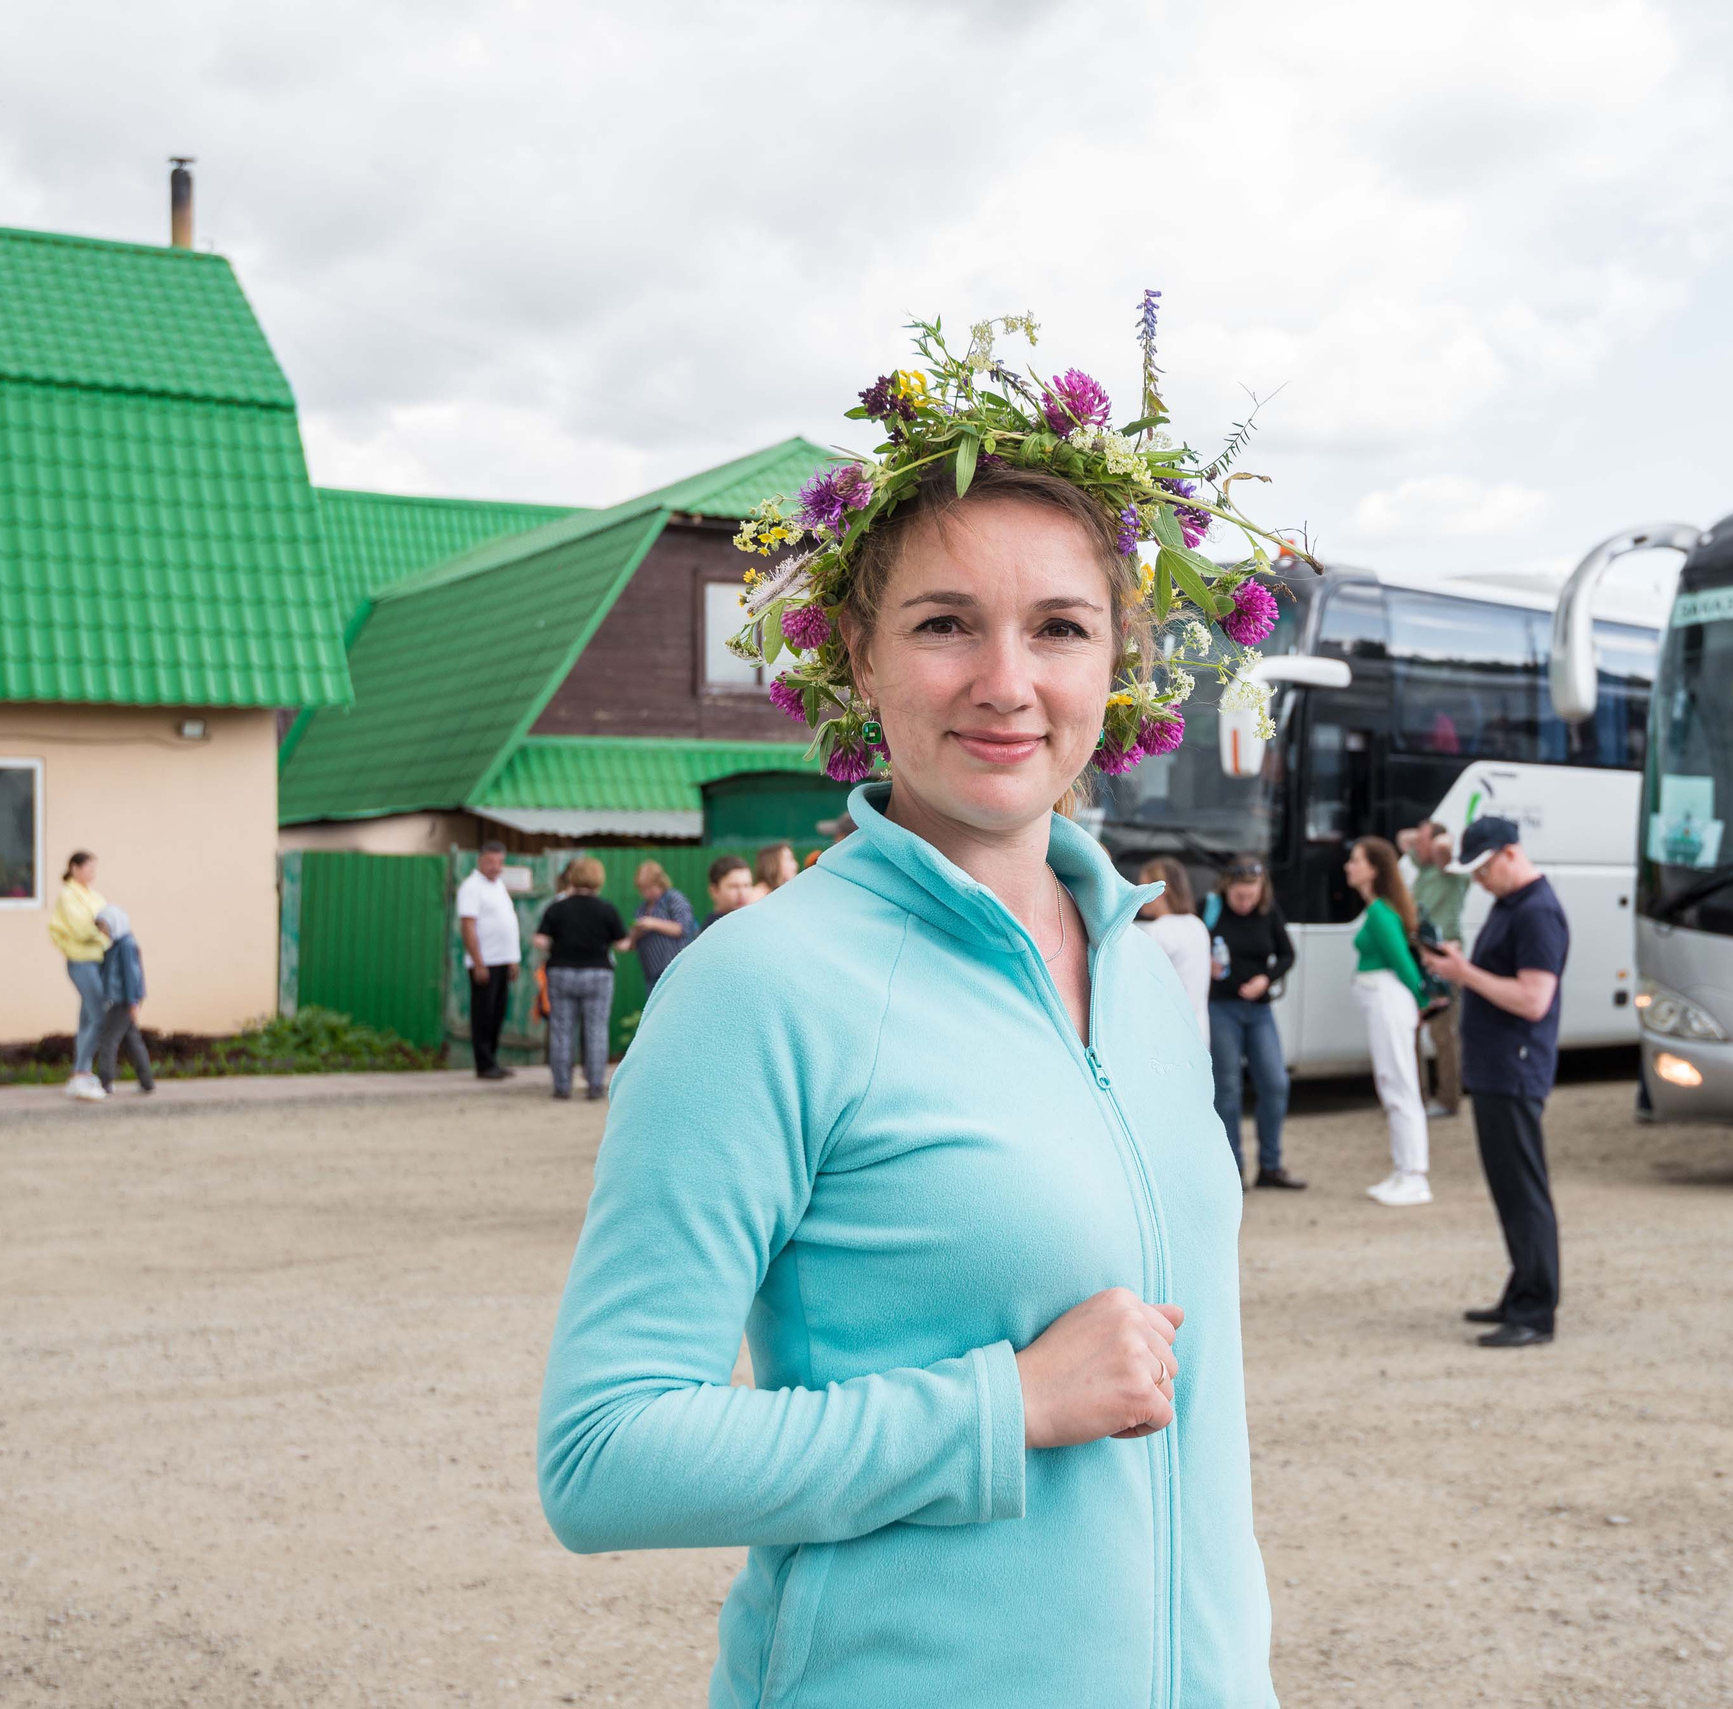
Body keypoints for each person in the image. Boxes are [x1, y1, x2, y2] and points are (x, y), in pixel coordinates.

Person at [542, 302, 1311, 1704]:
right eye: (947, 624)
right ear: (858, 649)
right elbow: (602, 1456)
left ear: (1117, 663)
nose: (1007, 685)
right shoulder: (762, 987)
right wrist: (1003, 1407)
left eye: (1060, 628)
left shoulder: (1138, 968)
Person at [1419, 814, 1569, 1350]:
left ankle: (1535, 1309)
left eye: (1484, 869)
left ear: (1510, 853)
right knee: (1511, 1189)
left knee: (1524, 1190)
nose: (1478, 881)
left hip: (1516, 1066)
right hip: (1501, 1066)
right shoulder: (1515, 906)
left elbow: (1534, 999)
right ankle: (1522, 1291)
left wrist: (1465, 975)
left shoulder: (1537, 912)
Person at [1206, 856, 1305, 1190]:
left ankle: (1271, 1166)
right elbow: (1191, 944)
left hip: (1259, 1010)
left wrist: (1267, 978)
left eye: (1251, 895)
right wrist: (1205, 963)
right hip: (1221, 1008)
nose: (1245, 902)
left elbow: (1288, 954)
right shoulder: (1209, 908)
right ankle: (1233, 1169)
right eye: (1239, 896)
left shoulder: (1268, 911)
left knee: (1276, 1083)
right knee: (1228, 1089)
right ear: (1227, 888)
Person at [1344, 835, 1431, 1207]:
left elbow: (1402, 962)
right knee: (1392, 1082)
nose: (1349, 866)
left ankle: (1414, 1175)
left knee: (1400, 1085)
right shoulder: (1377, 908)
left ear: (1373, 868)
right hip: (1382, 1001)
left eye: (1356, 860)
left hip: (1388, 1001)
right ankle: (1403, 1169)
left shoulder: (1380, 912)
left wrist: (1424, 1000)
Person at [535, 858, 632, 1102]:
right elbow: (622, 944)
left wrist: (557, 944)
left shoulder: (557, 907)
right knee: (596, 1030)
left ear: (572, 878)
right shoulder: (606, 909)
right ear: (599, 879)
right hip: (598, 974)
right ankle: (595, 1086)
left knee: (561, 1030)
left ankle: (561, 1086)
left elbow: (540, 940)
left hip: (561, 972)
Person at [1405, 819, 1471, 1118]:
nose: (1417, 846)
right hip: (1420, 953)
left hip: (1444, 953)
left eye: (1423, 841)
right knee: (1413, 1028)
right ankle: (1417, 1096)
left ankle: (1448, 1098)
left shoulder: (1451, 871)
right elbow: (1401, 838)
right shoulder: (1425, 869)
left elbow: (1444, 847)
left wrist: (1438, 839)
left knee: (1444, 1033)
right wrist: (1423, 839)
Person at [46, 850, 112, 1102]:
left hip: (98, 960)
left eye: (95, 869)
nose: (92, 874)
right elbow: (82, 928)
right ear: (74, 868)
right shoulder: (68, 895)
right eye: (88, 868)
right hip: (81, 961)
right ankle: (81, 1073)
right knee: (99, 1015)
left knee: (87, 1018)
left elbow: (108, 921)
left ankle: (81, 1072)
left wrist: (103, 929)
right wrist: (100, 931)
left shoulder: (93, 895)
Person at [456, 841, 521, 1080]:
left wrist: (513, 959)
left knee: (497, 1013)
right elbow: (468, 926)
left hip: (503, 960)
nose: (496, 867)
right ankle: (483, 1064)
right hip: (486, 962)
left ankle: (492, 1059)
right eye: (491, 862)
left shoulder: (498, 886)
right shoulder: (472, 887)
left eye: (500, 862)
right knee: (483, 1014)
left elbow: (507, 923)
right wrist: (478, 962)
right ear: (480, 860)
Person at [1134, 857, 1211, 1041]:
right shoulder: (1197, 925)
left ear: (1162, 890)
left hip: (1167, 1035)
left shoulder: (1157, 931)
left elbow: (1142, 987)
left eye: (1144, 886)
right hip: (1198, 1033)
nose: (1139, 893)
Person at [91, 903, 154, 1095]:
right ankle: (147, 1082)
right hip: (123, 999)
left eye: (104, 927)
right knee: (132, 1039)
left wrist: (133, 1002)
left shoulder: (126, 945)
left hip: (124, 1001)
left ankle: (105, 1082)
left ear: (114, 923)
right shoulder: (118, 944)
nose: (103, 932)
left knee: (108, 1039)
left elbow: (131, 975)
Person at [626, 861, 697, 990]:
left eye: (650, 888)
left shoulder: (673, 899)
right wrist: (636, 933)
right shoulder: (641, 910)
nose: (647, 893)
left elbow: (683, 928)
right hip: (652, 973)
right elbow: (632, 945)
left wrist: (653, 923)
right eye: (643, 889)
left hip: (675, 970)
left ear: (661, 883)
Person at [698, 854, 755, 928]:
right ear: (714, 891)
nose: (742, 893)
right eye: (734, 886)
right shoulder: (713, 929)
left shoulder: (753, 923)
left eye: (746, 885)